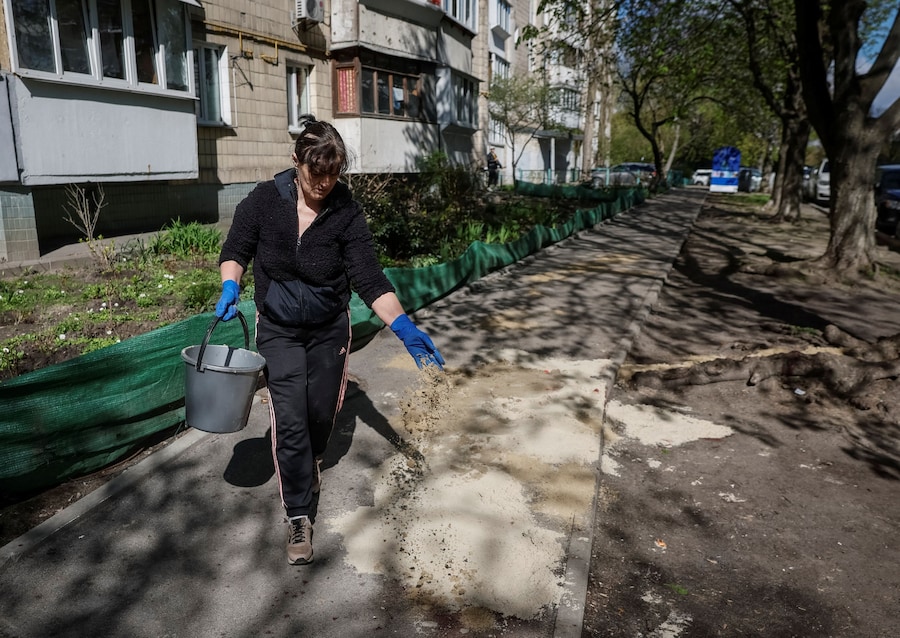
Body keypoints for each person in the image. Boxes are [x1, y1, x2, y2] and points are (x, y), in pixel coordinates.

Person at [214, 114, 445, 566]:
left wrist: (403, 327)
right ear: (296, 162)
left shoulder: (345, 211)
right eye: (315, 173)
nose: (323, 183)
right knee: (291, 418)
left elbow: (368, 277)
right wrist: (229, 285)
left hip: (327, 329)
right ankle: (299, 513)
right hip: (278, 326)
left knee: (320, 412)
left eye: (333, 174)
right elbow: (236, 249)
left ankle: (312, 459)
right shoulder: (264, 200)